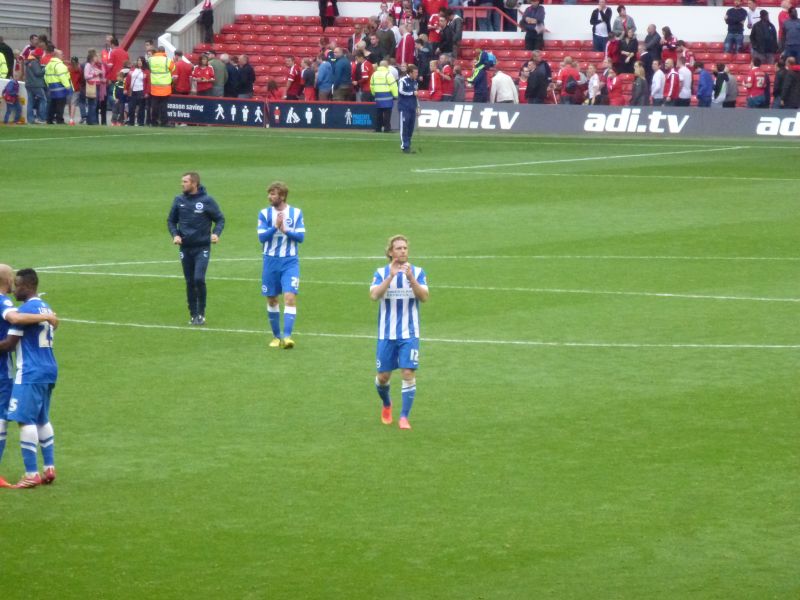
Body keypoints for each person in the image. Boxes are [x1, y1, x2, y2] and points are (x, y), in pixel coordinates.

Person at [0, 268, 60, 488]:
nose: (14, 289)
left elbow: (8, 344)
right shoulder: (46, 307)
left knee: (25, 420)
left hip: (30, 372)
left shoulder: (24, 312)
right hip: (50, 369)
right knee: (42, 418)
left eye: (17, 285)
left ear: (27, 286)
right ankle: (49, 468)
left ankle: (31, 474)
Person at [369, 235, 429, 430]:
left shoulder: (418, 272)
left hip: (409, 333)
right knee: (383, 377)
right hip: (386, 334)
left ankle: (404, 416)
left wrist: (411, 279)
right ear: (390, 252)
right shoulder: (380, 272)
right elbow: (374, 295)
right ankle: (387, 404)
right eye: (399, 248)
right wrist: (391, 277)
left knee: (407, 372)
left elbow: (424, 297)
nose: (403, 251)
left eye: (405, 248)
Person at [167, 172, 225, 326]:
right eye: (182, 181)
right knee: (189, 281)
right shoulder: (178, 200)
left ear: (194, 184)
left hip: (202, 247)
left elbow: (220, 219)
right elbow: (171, 221)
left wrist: (216, 233)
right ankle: (193, 315)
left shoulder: (206, 201)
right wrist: (175, 235)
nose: (182, 184)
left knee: (199, 278)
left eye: (185, 181)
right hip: (185, 248)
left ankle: (202, 313)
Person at [257, 182, 305, 349]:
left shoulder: (296, 213)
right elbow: (262, 238)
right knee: (272, 300)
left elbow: (301, 238)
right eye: (269, 194)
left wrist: (285, 230)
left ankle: (287, 336)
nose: (270, 197)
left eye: (273, 194)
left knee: (290, 297)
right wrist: (275, 227)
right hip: (270, 261)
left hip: (290, 261)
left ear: (282, 196)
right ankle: (276, 337)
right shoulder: (264, 214)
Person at [44, 49, 73, 125]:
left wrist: (48, 85)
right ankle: (59, 120)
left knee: (53, 104)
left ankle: (49, 119)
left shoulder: (49, 64)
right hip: (60, 87)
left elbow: (45, 76)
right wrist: (67, 86)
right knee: (61, 104)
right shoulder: (60, 65)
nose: (63, 55)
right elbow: (63, 76)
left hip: (52, 87)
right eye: (61, 54)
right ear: (57, 55)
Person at [148, 46, 174, 126]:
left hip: (154, 87)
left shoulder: (151, 59)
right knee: (163, 106)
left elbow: (150, 69)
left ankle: (154, 121)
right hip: (165, 87)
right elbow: (173, 68)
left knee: (154, 105)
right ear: (164, 51)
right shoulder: (167, 60)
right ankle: (164, 122)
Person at [371, 60, 398, 132]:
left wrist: (374, 94)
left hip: (378, 96)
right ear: (387, 66)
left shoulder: (374, 74)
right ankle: (387, 128)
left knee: (379, 113)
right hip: (387, 96)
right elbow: (393, 85)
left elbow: (372, 85)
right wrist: (395, 95)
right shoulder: (388, 74)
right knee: (387, 113)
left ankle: (378, 128)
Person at [398, 64, 419, 153]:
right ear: (410, 73)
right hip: (404, 107)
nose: (416, 74)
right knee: (404, 127)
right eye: (415, 73)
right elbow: (401, 91)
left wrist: (418, 106)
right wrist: (412, 93)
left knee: (411, 127)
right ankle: (404, 146)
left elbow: (416, 96)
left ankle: (408, 144)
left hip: (412, 107)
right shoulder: (403, 80)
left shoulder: (415, 82)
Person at [25, 53, 47, 124]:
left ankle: (30, 119)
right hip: (36, 84)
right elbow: (38, 73)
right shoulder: (34, 62)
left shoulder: (28, 62)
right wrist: (44, 69)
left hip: (29, 84)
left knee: (30, 102)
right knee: (43, 100)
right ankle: (41, 118)